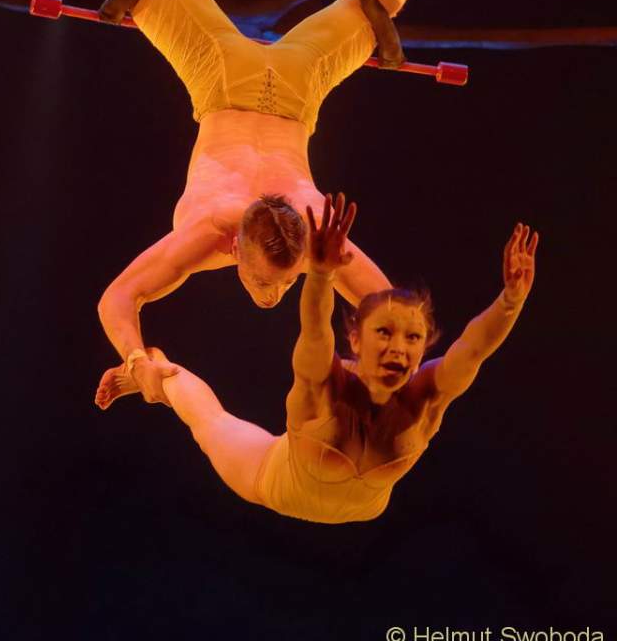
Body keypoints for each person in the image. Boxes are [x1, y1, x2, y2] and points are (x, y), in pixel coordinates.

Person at [96, 0, 448, 408]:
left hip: (267, 82)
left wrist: (138, 362)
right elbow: (385, 307)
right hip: (250, 83)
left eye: (277, 283)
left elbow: (386, 307)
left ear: (240, 247)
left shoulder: (290, 235)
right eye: (279, 283)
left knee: (378, 8)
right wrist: (381, 373)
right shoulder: (224, 233)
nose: (275, 292)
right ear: (239, 246)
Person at [97, 194, 538, 525]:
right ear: (355, 341)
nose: (399, 349)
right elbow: (314, 327)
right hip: (275, 481)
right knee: (208, 421)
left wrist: (511, 301)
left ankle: (156, 374)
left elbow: (474, 348)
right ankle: (158, 371)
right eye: (384, 334)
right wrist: (322, 273)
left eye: (413, 339)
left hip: (366, 508)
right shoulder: (324, 386)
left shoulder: (427, 396)